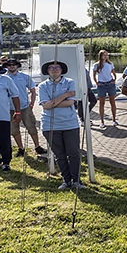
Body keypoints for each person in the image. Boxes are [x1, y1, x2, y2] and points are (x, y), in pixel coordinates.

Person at [39, 60, 84, 189]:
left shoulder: (70, 82)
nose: (54, 69)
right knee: (60, 154)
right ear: (47, 71)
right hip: (50, 125)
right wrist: (65, 95)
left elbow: (70, 103)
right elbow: (46, 106)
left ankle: (76, 180)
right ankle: (66, 180)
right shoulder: (42, 86)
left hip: (70, 123)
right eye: (51, 68)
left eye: (57, 67)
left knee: (73, 153)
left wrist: (53, 102)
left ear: (61, 70)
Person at [5, 59, 47, 157]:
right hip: (9, 108)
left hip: (24, 106)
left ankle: (37, 146)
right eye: (9, 65)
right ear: (6, 66)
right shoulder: (3, 78)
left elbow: (33, 90)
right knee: (14, 130)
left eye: (14, 64)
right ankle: (21, 148)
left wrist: (32, 104)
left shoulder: (25, 77)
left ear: (17, 65)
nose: (12, 66)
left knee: (31, 127)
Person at [92, 50, 119, 129]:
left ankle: (114, 120)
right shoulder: (96, 65)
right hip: (102, 84)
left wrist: (114, 80)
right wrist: (97, 82)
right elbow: (94, 75)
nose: (105, 56)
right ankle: (102, 121)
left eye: (106, 55)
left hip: (110, 83)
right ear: (100, 56)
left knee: (112, 101)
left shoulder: (110, 64)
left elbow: (113, 72)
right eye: (104, 55)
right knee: (102, 103)